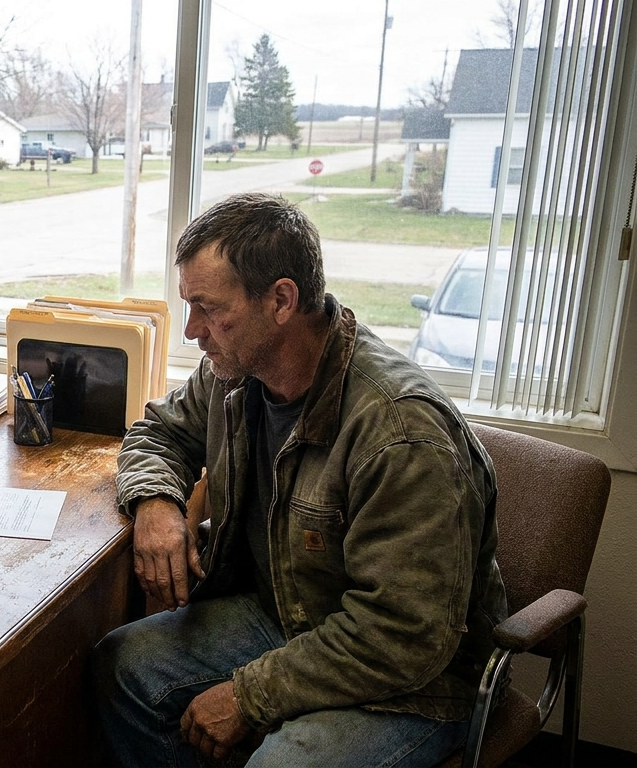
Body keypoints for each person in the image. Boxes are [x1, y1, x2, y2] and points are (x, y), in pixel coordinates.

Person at [93, 193, 507, 766]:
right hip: (289, 614)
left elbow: (405, 635)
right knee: (124, 667)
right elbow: (158, 434)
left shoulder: (399, 432)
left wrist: (250, 694)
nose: (192, 331)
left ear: (282, 300)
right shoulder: (236, 373)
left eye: (208, 308)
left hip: (416, 677)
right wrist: (157, 502)